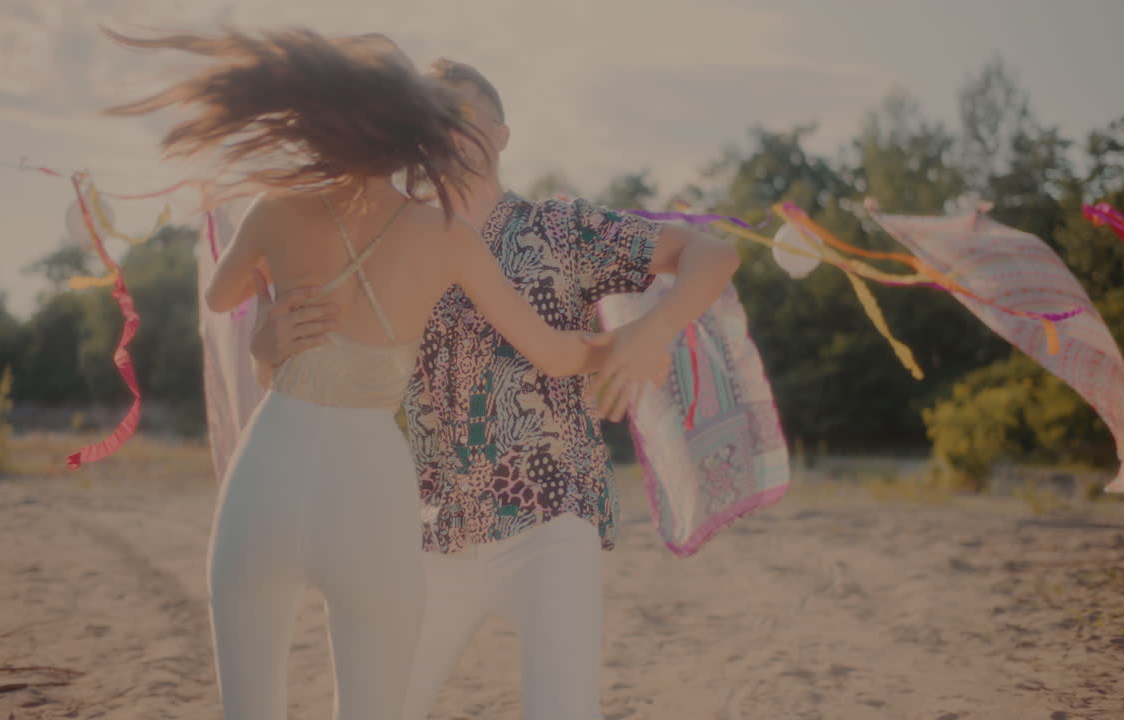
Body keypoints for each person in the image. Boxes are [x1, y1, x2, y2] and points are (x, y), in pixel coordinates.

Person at [104, 28, 627, 720]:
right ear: (411, 125)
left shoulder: (274, 207)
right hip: (370, 492)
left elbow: (220, 296)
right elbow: (555, 354)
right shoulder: (445, 235)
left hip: (264, 478)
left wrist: (269, 328)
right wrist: (623, 346)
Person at [251, 56, 741, 720]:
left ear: (503, 135)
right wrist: (267, 350)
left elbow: (712, 254)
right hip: (434, 524)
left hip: (552, 512)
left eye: (460, 112)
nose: (444, 129)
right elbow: (308, 379)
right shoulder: (393, 244)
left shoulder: (560, 230)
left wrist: (652, 331)